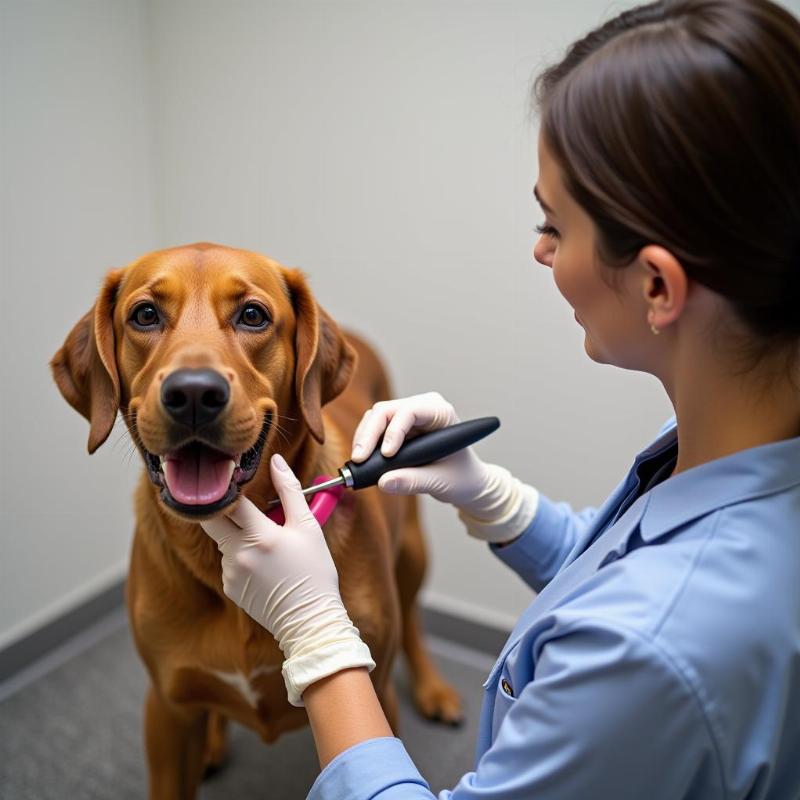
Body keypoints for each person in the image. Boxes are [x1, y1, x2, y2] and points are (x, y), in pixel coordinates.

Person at [200, 0, 800, 796]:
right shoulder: (751, 435)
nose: (539, 249)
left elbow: (644, 615)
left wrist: (317, 638)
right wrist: (495, 500)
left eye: (554, 223)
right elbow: (629, 563)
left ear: (656, 283)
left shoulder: (652, 651)